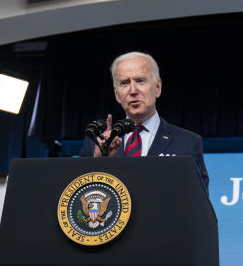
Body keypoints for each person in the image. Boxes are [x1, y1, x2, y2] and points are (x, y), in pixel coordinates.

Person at [80, 52, 209, 192]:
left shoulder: (188, 143)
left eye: (140, 81)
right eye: (125, 83)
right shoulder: (95, 142)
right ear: (117, 94)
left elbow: (198, 207)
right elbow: (78, 200)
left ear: (158, 88)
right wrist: (99, 162)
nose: (133, 90)